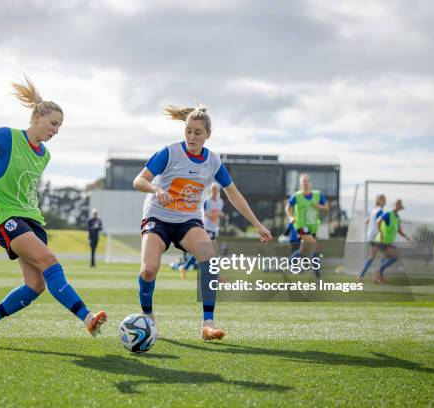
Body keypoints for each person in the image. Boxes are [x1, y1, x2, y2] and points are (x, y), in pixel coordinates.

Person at [0, 75, 107, 347]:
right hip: (7, 220)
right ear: (37, 116)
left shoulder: (44, 155)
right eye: (54, 123)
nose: (56, 130)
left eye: (60, 126)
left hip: (32, 220)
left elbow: (21, 187)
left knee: (35, 286)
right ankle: (88, 318)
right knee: (51, 262)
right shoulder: (8, 137)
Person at [133, 104, 272, 341]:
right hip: (158, 217)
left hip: (188, 221)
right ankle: (147, 316)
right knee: (148, 269)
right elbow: (139, 180)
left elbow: (234, 195)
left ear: (208, 134)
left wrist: (258, 225)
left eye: (197, 132)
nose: (191, 137)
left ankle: (207, 324)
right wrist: (156, 189)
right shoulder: (169, 152)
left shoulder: (213, 162)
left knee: (210, 261)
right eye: (188, 131)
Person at [285, 173, 328, 280]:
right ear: (300, 183)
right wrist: (290, 217)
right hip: (300, 226)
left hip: (312, 227)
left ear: (311, 182)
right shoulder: (297, 196)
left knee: (303, 250)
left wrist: (319, 206)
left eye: (308, 180)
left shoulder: (318, 195)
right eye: (303, 181)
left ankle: (287, 265)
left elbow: (326, 207)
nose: (306, 182)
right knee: (315, 246)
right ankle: (318, 275)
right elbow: (287, 208)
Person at [179, 182, 224, 279]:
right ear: (210, 191)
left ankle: (185, 267)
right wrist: (210, 215)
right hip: (206, 227)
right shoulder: (206, 201)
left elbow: (218, 212)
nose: (215, 192)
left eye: (216, 190)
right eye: (213, 190)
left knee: (203, 252)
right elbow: (201, 212)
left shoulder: (220, 201)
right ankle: (215, 276)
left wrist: (220, 215)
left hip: (214, 228)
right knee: (212, 251)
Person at [374, 199, 411, 283]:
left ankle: (379, 277)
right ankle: (378, 271)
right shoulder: (388, 214)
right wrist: (381, 233)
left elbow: (398, 230)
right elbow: (378, 222)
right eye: (397, 205)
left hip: (389, 241)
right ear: (394, 206)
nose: (398, 207)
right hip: (382, 240)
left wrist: (406, 237)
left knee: (385, 258)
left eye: (399, 205)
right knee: (395, 257)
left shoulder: (397, 217)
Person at [358, 194, 386, 282]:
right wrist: (381, 232)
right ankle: (376, 276)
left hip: (370, 235)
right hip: (376, 236)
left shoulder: (374, 210)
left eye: (385, 200)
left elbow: (366, 221)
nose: (385, 202)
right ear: (379, 201)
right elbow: (379, 223)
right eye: (383, 200)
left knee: (374, 256)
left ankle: (374, 276)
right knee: (386, 254)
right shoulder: (380, 211)